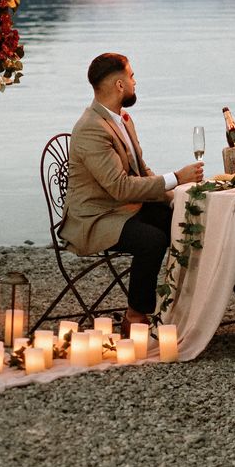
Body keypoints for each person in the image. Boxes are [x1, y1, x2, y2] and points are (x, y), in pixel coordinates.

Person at [60, 53, 203, 334]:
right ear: (119, 85)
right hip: (95, 217)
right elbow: (120, 187)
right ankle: (134, 317)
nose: (135, 81)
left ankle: (184, 303)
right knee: (153, 240)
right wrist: (175, 178)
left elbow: (141, 172)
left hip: (123, 208)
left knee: (183, 219)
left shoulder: (123, 119)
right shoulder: (91, 127)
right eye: (132, 76)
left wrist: (176, 196)